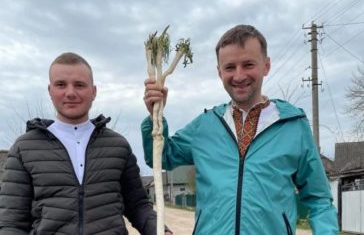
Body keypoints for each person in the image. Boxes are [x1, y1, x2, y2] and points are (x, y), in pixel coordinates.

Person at [142, 25, 338, 234]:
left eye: (248, 64)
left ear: (266, 65)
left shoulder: (293, 126)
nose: (239, 75)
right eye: (229, 67)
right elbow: (162, 156)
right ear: (219, 72)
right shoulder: (205, 126)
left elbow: (319, 199)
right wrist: (155, 117)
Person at [0, 52, 172, 235]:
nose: (70, 93)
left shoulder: (118, 146)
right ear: (50, 91)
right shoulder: (25, 148)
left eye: (80, 85)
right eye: (61, 85)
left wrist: (161, 231)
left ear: (93, 91)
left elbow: (139, 207)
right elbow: (11, 223)